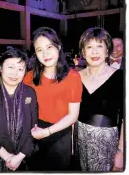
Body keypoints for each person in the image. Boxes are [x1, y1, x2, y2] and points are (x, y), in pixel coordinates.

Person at [24, 27, 82, 171]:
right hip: (34, 131)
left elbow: (73, 115)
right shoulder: (29, 76)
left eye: (49, 47)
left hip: (59, 133)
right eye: (39, 50)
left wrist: (47, 131)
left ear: (59, 47)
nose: (45, 54)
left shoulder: (72, 77)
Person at [0, 48, 38, 171]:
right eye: (10, 67)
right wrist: (6, 156)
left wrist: (20, 157)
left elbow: (34, 128)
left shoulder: (30, 92)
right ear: (0, 68)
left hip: (23, 159)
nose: (15, 74)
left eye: (20, 69)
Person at [74, 27, 124, 172]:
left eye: (99, 46)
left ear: (107, 51)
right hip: (80, 140)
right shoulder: (76, 77)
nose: (94, 52)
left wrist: (121, 151)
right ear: (83, 52)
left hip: (107, 143)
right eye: (89, 47)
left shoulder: (120, 78)